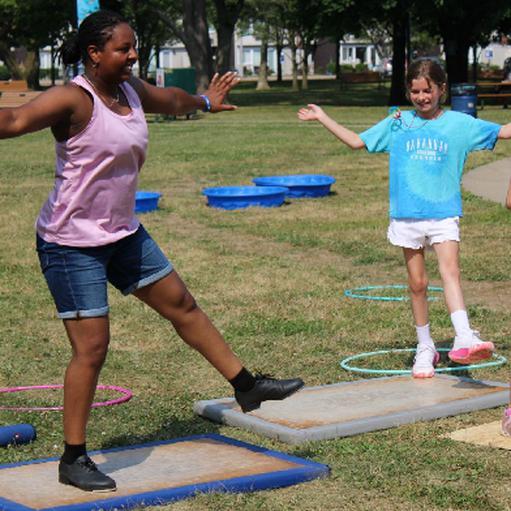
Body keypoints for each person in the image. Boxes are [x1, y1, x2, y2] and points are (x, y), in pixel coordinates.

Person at [0, 10, 303, 492]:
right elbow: (14, 119)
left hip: (121, 233)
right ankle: (73, 458)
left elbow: (173, 100)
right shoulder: (73, 98)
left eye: (134, 46)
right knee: (92, 348)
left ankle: (247, 387)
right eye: (123, 49)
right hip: (71, 242)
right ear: (95, 54)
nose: (133, 55)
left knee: (182, 305)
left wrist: (206, 101)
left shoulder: (131, 90)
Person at [298, 58, 511, 379]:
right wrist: (322, 117)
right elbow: (356, 141)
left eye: (428, 90)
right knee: (417, 284)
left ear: (442, 89)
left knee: (450, 273)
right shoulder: (398, 123)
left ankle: (464, 335)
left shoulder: (460, 124)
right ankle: (425, 347)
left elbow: (504, 131)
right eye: (415, 92)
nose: (422, 97)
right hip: (407, 217)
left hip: (443, 213)